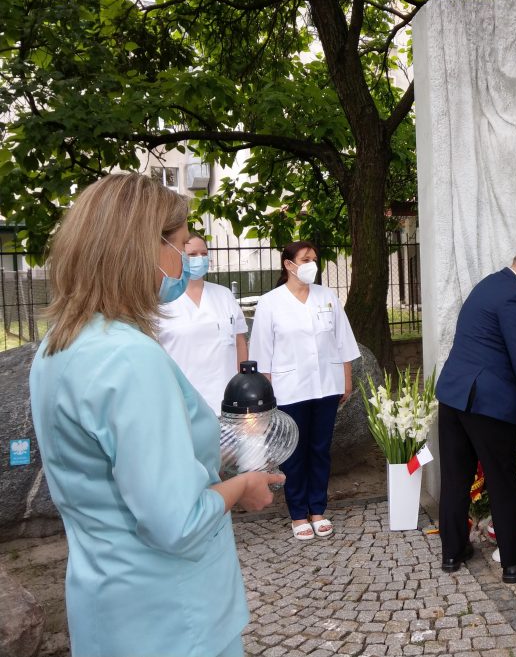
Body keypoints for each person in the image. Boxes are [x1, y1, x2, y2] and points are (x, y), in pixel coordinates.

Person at [29, 173, 283, 657]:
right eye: (181, 244)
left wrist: (215, 459)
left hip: (107, 605)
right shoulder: (129, 358)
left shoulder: (58, 346)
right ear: (141, 249)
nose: (186, 259)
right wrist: (243, 486)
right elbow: (178, 522)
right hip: (173, 616)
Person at [436, 243, 516, 583]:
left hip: (454, 396)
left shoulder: (490, 284)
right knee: (502, 481)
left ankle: (452, 552)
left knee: (455, 478)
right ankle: (515, 562)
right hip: (488, 402)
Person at [248, 241, 359, 541]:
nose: (312, 263)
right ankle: (298, 514)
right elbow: (261, 351)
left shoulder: (327, 296)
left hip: (325, 385)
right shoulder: (270, 302)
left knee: (320, 450)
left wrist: (345, 378)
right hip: (289, 390)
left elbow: (343, 340)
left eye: (314, 258)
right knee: (294, 453)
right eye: (305, 259)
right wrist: (267, 392)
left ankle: (318, 510)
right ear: (288, 265)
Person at [157, 234, 248, 414]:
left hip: (227, 399)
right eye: (192, 254)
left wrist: (244, 384)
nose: (200, 259)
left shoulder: (224, 295)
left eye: (204, 253)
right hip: (183, 403)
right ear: (179, 255)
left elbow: (239, 342)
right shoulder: (162, 301)